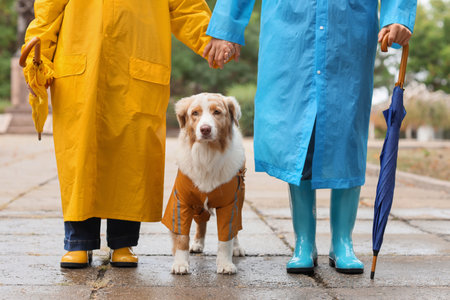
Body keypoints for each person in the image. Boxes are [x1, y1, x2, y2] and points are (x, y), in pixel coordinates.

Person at [206, 1, 416, 274]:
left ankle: (343, 242)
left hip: (347, 32)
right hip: (291, 33)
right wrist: (227, 28)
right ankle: (304, 242)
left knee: (346, 135)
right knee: (299, 137)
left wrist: (397, 16)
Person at [23, 0, 233, 268]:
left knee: (132, 158)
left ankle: (123, 242)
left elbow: (186, 6)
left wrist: (211, 40)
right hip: (82, 68)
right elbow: (48, 12)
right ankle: (78, 243)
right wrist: (36, 60)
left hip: (138, 68)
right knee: (80, 158)